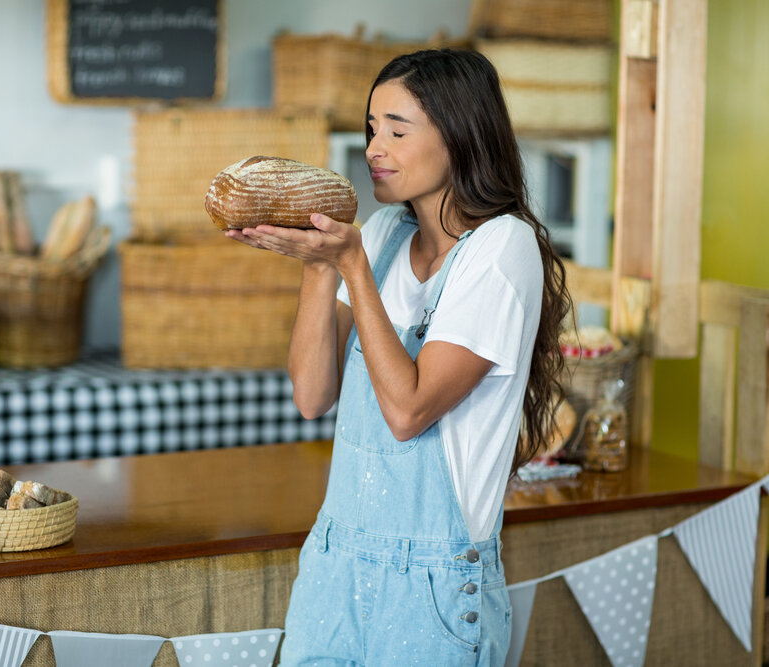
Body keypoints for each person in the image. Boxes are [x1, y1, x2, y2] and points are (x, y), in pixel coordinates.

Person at [226, 48, 571, 666]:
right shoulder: (383, 235)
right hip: (335, 566)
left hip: (433, 590)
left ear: (460, 135)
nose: (374, 147)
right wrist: (316, 264)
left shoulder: (501, 248)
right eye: (370, 128)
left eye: (396, 129)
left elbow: (409, 411)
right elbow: (311, 395)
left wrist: (350, 266)